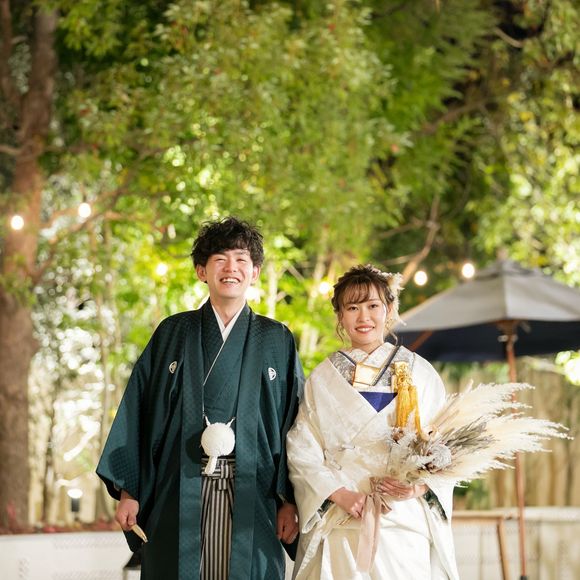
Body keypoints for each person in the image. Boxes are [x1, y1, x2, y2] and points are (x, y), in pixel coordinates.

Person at [97, 217, 304, 580]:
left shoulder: (276, 339)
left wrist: (289, 500)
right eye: (220, 259)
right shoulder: (172, 332)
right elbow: (139, 411)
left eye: (241, 260)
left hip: (255, 494)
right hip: (177, 490)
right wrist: (130, 490)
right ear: (201, 271)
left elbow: (294, 423)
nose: (231, 268)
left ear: (255, 272)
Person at [286, 265, 459, 579]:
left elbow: (448, 448)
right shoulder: (323, 378)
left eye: (372, 306)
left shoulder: (420, 373)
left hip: (402, 522)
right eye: (352, 308)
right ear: (340, 316)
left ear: (389, 310)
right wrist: (340, 494)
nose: (363, 317)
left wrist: (418, 487)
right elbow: (301, 449)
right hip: (341, 518)